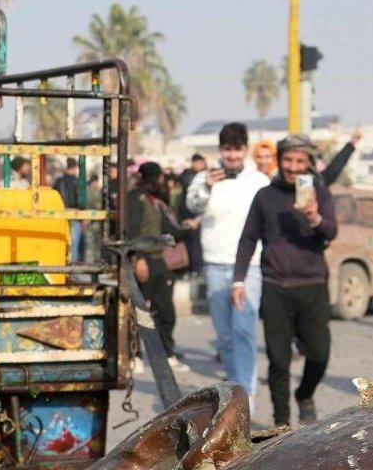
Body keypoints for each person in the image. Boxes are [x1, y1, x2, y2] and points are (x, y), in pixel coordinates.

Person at [233, 135, 338, 427]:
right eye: (288, 160)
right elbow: (248, 239)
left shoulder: (319, 192)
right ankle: (281, 424)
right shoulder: (264, 197)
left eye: (300, 161)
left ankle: (305, 394)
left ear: (309, 165)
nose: (293, 167)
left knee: (319, 354)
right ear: (280, 161)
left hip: (313, 285)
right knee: (279, 361)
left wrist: (315, 217)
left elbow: (331, 232)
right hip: (276, 286)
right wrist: (238, 281)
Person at [185, 122, 272, 402]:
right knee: (225, 336)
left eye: (237, 150)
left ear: (245, 150)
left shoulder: (259, 181)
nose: (232, 156)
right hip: (215, 264)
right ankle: (236, 390)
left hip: (250, 267)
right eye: (227, 150)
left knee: (244, 331)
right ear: (220, 150)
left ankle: (245, 400)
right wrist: (208, 185)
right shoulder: (204, 179)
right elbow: (192, 206)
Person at [126, 160, 185, 369]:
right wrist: (139, 258)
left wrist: (189, 227)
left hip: (160, 260)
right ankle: (135, 355)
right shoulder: (135, 198)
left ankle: (166, 352)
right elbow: (132, 231)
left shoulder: (156, 200)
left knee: (165, 310)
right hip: (144, 260)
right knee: (139, 311)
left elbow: (169, 229)